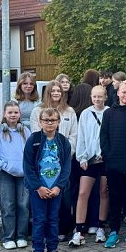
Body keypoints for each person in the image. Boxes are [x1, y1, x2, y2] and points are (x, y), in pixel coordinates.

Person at [24, 107, 71, 252]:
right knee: (39, 219)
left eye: (53, 120)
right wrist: (38, 187)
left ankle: (53, 249)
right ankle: (38, 251)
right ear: (40, 122)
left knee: (52, 219)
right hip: (39, 188)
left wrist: (59, 186)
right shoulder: (34, 139)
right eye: (46, 120)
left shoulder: (63, 141)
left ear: (58, 122)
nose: (49, 123)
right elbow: (28, 165)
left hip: (55, 188)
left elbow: (66, 167)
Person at [31, 81, 78, 238]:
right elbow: (36, 134)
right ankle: (43, 231)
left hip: (64, 160)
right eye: (53, 91)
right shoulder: (38, 110)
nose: (56, 93)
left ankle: (64, 230)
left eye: (59, 90)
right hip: (43, 162)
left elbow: (74, 135)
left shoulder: (69, 111)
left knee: (64, 197)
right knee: (43, 197)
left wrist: (64, 152)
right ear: (48, 93)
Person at [100, 80, 126, 248]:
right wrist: (108, 156)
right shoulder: (109, 113)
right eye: (123, 92)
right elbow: (103, 137)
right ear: (118, 93)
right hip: (114, 163)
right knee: (115, 198)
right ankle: (114, 231)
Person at [0, 101, 30, 249]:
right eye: (10, 112)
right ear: (4, 114)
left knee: (23, 205)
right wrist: (2, 166)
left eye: (15, 112)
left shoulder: (25, 131)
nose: (13, 115)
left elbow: (31, 152)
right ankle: (8, 237)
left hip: (23, 174)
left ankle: (21, 236)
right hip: (5, 174)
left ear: (20, 114)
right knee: (8, 204)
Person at [71, 85, 110, 246]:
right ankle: (79, 229)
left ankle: (101, 227)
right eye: (94, 96)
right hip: (90, 158)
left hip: (106, 158)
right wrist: (82, 157)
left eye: (100, 96)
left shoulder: (109, 112)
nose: (97, 99)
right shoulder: (86, 114)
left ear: (105, 97)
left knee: (103, 192)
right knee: (83, 193)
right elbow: (82, 136)